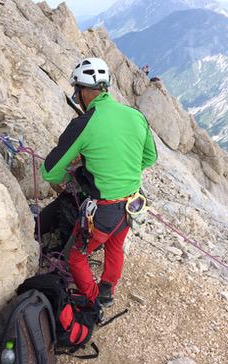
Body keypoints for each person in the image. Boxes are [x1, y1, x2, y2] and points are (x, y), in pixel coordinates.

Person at [41, 57, 157, 307]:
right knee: (115, 247)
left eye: (77, 91)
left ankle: (94, 302)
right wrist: (120, 170)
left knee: (77, 257)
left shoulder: (84, 123)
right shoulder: (135, 116)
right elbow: (150, 156)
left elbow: (50, 171)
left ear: (82, 91)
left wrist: (78, 174)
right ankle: (107, 290)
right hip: (132, 205)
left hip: (102, 211)